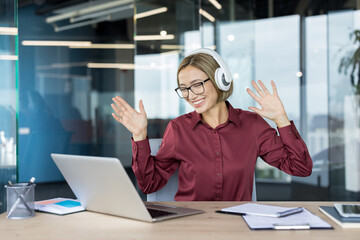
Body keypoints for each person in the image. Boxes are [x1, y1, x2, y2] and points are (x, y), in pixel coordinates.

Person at [111, 48, 312, 201]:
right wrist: (139, 135)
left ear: (220, 80)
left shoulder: (252, 126)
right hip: (191, 227)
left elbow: (301, 168)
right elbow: (149, 185)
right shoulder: (178, 129)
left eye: (197, 85)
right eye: (184, 89)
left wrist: (281, 120)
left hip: (237, 227)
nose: (191, 95)